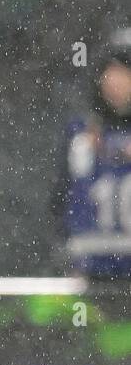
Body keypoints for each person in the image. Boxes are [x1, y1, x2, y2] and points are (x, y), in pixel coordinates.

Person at [52, 38, 131, 278]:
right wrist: (63, 251)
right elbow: (60, 198)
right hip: (90, 264)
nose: (114, 81)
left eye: (124, 71)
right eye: (110, 71)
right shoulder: (80, 132)